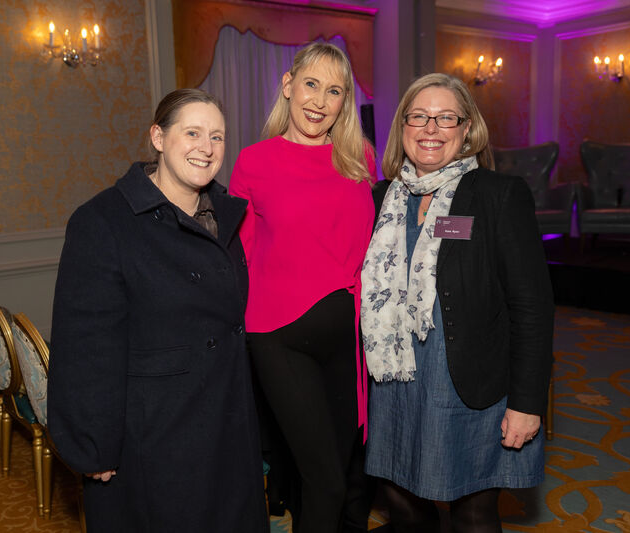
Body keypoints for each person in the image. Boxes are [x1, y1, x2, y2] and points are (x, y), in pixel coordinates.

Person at [47, 89, 269, 533]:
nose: (206, 148)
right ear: (158, 137)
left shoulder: (226, 215)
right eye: (192, 132)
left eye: (218, 137)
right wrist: (93, 446)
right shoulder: (103, 221)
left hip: (226, 420)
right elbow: (85, 347)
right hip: (154, 436)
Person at [360, 72, 554, 532]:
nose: (431, 128)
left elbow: (532, 306)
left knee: (473, 512)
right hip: (394, 381)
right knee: (402, 504)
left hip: (468, 385)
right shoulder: (382, 198)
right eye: (419, 116)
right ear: (402, 126)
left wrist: (527, 402)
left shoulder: (497, 196)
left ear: (467, 130)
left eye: (446, 118)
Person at [229, 42, 375, 533]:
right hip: (278, 337)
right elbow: (239, 254)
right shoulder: (254, 161)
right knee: (325, 483)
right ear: (288, 87)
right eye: (311, 84)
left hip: (345, 342)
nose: (319, 100)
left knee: (343, 484)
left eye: (334, 90)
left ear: (343, 102)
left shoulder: (360, 161)